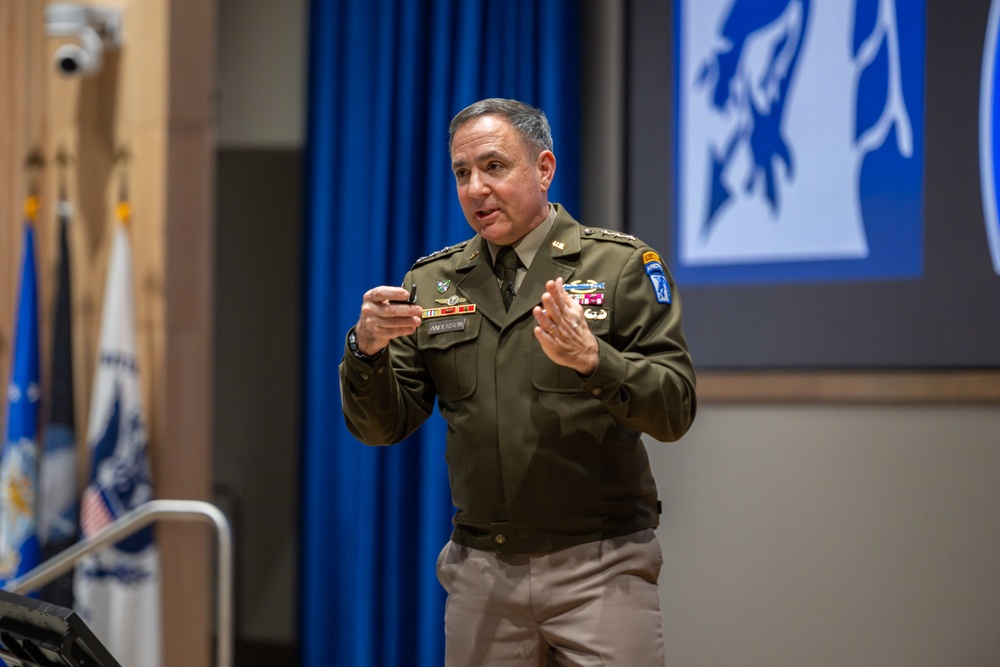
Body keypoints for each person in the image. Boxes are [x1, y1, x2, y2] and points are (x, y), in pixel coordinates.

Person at [340, 98, 696, 666]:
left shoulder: (621, 267)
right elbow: (383, 427)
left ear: (545, 168)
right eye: (462, 173)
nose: (476, 188)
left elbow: (674, 410)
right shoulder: (432, 282)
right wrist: (366, 350)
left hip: (600, 567)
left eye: (494, 166)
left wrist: (593, 360)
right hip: (483, 573)